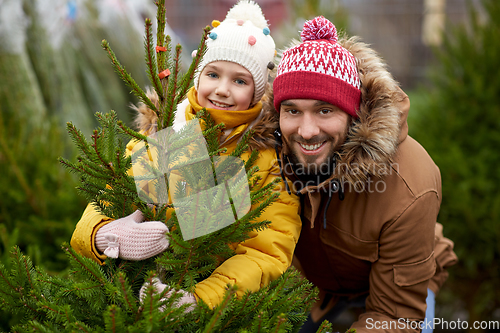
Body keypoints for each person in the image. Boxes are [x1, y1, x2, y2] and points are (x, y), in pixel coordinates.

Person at [70, 0, 301, 310]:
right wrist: (102, 235)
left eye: (240, 81)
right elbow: (110, 195)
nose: (222, 90)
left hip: (212, 309)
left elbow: (265, 252)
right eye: (213, 74)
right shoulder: (165, 131)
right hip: (129, 296)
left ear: (257, 92)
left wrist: (199, 299)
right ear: (198, 74)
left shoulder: (265, 160)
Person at [271, 16, 458, 332]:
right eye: (292, 110)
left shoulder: (410, 185)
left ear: (353, 113)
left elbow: (396, 315)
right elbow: (200, 216)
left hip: (398, 290)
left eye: (325, 110)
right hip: (314, 283)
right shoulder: (267, 151)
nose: (306, 131)